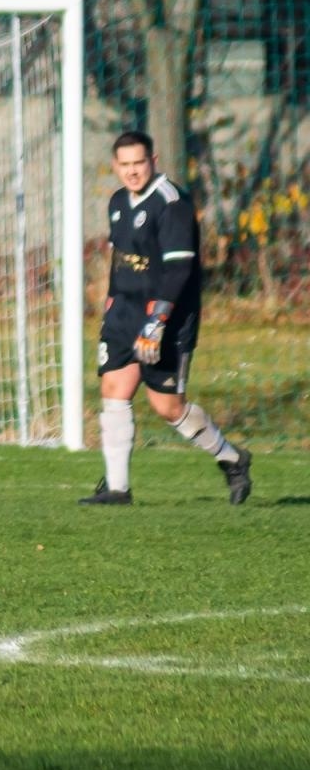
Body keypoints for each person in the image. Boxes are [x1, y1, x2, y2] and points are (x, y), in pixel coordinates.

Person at [79, 130, 252, 506]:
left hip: (167, 318)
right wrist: (111, 302)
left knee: (168, 407)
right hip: (124, 313)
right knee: (114, 390)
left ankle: (232, 459)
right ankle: (117, 489)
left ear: (153, 161)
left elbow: (178, 271)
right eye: (124, 165)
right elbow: (122, 258)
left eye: (138, 163)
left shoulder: (171, 204)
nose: (132, 172)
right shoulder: (117, 202)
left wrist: (156, 323)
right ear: (115, 166)